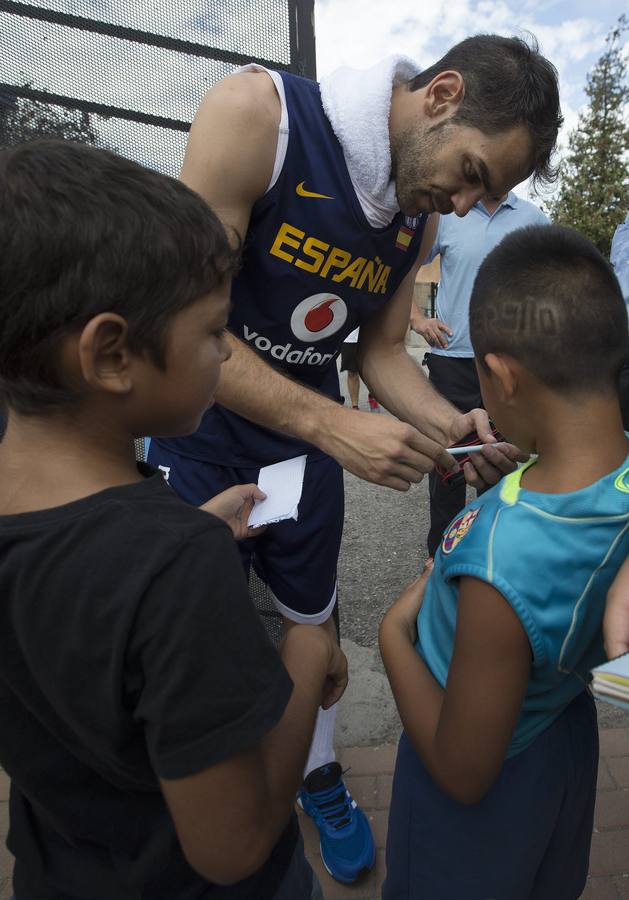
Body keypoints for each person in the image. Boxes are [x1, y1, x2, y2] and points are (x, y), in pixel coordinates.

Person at [146, 33, 563, 881]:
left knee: (312, 622)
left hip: (300, 449)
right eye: (472, 172)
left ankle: (317, 773)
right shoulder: (258, 117)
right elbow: (184, 325)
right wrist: (331, 424)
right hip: (200, 440)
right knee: (191, 634)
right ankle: (194, 803)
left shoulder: (418, 214)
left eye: (484, 192)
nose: (463, 203)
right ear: (441, 94)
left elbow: (377, 353)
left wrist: (452, 426)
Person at [0, 139, 350, 900]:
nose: (225, 355)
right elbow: (232, 844)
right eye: (214, 332)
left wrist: (200, 530)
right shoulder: (175, 565)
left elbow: (80, 616)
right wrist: (306, 648)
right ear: (112, 354)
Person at [379, 224, 629, 900]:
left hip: (478, 790)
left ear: (502, 376)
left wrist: (392, 633)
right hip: (561, 735)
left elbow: (462, 771)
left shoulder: (498, 563)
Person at [411, 194, 550, 555]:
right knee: (448, 466)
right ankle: (440, 558)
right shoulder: (447, 216)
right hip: (451, 362)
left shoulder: (533, 218)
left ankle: (492, 556)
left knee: (501, 462)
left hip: (510, 365)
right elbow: (403, 267)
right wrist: (417, 319)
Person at [340, 327, 379, 410]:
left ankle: (372, 397)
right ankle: (355, 406)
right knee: (352, 373)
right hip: (349, 338)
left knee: (372, 371)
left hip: (369, 337)